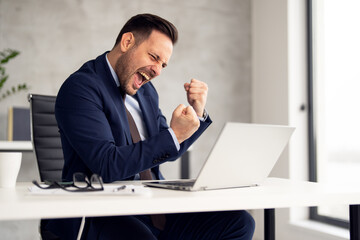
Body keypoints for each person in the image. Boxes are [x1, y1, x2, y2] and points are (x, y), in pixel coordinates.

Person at [44, 13, 255, 240]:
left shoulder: (145, 91)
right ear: (127, 42)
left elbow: (165, 148)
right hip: (104, 213)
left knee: (239, 223)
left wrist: (196, 114)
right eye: (154, 57)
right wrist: (174, 135)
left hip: (152, 207)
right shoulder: (81, 88)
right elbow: (106, 164)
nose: (158, 71)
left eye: (163, 64)